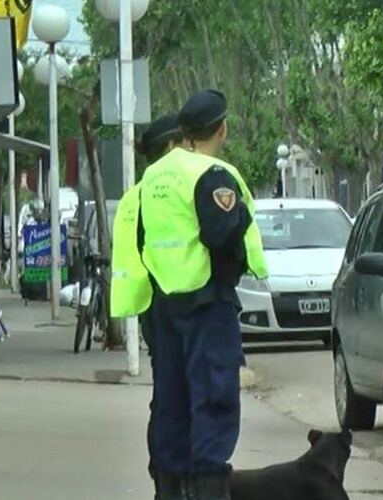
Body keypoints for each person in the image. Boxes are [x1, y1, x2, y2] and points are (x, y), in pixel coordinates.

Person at [139, 89, 268, 500]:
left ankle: (170, 490)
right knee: (213, 402)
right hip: (206, 305)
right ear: (222, 128)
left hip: (164, 305)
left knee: (172, 404)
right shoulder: (211, 174)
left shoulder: (155, 176)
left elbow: (142, 238)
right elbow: (223, 233)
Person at [110, 113, 183, 500]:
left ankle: (164, 477)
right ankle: (177, 481)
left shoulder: (132, 197)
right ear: (171, 147)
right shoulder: (168, 192)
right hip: (178, 306)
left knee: (165, 395)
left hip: (151, 309)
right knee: (182, 399)